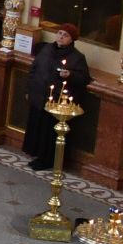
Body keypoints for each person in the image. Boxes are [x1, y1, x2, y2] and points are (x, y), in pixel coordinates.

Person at [23, 22, 90, 168]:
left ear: (71, 39)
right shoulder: (47, 49)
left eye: (65, 35)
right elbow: (34, 69)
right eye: (59, 33)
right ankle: (35, 153)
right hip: (39, 95)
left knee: (49, 132)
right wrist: (29, 90)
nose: (61, 37)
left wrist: (70, 75)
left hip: (55, 101)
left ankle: (46, 159)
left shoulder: (77, 57)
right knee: (37, 127)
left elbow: (83, 78)